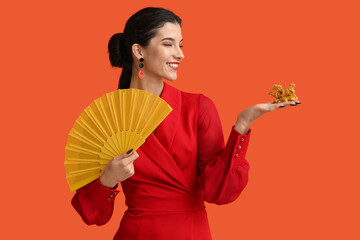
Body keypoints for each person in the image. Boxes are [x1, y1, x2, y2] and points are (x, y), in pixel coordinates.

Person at [71, 7, 300, 240]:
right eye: (169, 44)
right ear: (139, 50)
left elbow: (219, 192)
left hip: (192, 233)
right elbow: (93, 216)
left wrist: (243, 125)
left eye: (181, 45)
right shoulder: (107, 118)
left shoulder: (198, 107)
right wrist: (108, 179)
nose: (180, 54)